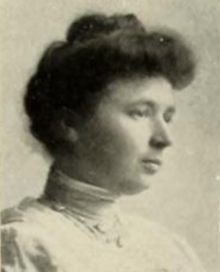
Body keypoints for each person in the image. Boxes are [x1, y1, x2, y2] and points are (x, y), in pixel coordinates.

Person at [1, 12, 206, 272]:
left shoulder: (169, 249)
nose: (164, 139)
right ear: (69, 124)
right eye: (140, 113)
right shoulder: (25, 244)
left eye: (167, 117)